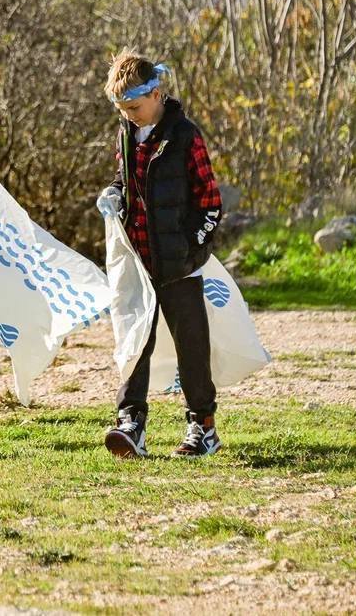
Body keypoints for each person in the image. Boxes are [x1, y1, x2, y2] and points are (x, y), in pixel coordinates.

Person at [97, 53, 223, 458]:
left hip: (179, 266)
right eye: (122, 110)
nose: (129, 116)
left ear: (155, 93)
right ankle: (131, 423)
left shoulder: (185, 135)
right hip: (139, 263)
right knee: (135, 343)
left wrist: (190, 247)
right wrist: (114, 194)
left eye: (134, 107)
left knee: (192, 347)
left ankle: (202, 426)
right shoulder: (125, 134)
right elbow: (124, 180)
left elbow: (211, 203)